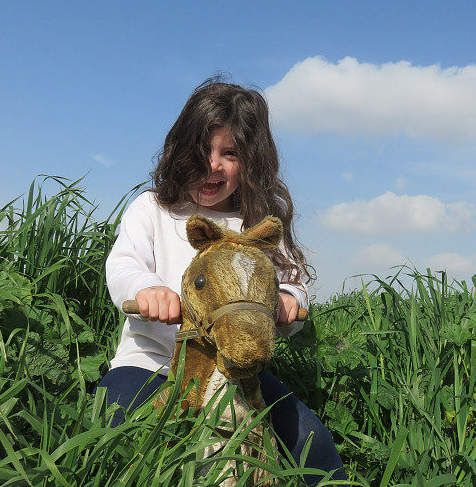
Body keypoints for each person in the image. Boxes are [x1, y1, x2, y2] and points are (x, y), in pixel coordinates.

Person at [97, 78, 347, 484]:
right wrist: (145, 289)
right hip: (152, 362)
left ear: (252, 162)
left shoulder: (258, 223)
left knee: (309, 435)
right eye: (201, 151)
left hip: (235, 370)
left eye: (229, 153)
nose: (212, 165)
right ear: (179, 151)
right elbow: (124, 263)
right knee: (119, 415)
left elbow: (292, 280)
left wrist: (286, 299)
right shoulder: (154, 209)